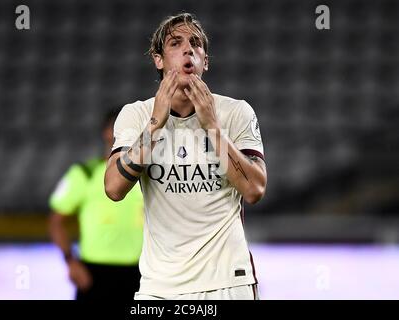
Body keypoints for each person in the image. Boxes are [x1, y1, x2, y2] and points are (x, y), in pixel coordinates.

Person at [105, 13, 267, 300]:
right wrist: (156, 123)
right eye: (175, 43)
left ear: (205, 61)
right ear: (158, 59)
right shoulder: (136, 115)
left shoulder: (236, 112)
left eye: (196, 44)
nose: (188, 49)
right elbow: (114, 188)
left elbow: (254, 190)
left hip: (227, 281)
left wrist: (214, 129)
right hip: (160, 286)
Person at [48, 109, 144, 301]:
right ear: (106, 132)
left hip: (141, 272)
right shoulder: (84, 174)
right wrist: (70, 261)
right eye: (118, 127)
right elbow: (56, 222)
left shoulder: (150, 176)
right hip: (94, 273)